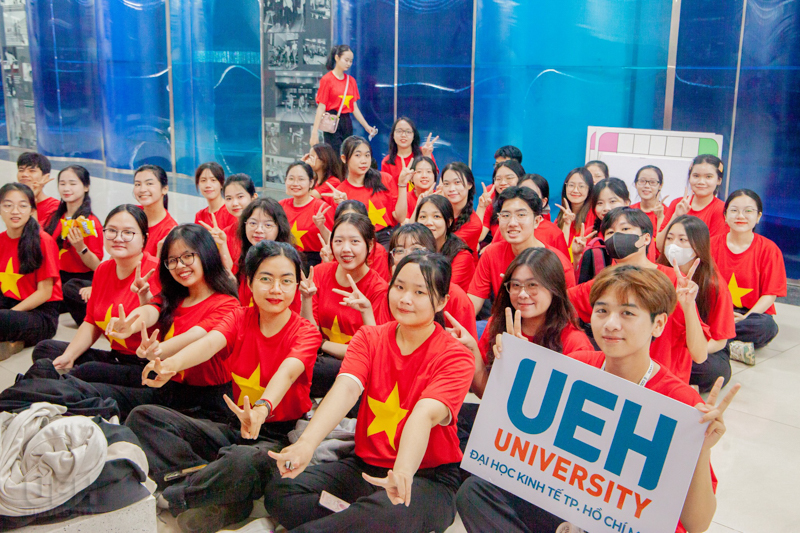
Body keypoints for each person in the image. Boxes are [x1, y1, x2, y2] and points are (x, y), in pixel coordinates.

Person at [457, 265, 740, 533]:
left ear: (658, 324)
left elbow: (697, 524)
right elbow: (529, 446)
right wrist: (520, 374)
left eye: (627, 313)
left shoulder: (681, 401)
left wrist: (701, 452)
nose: (611, 324)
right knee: (476, 492)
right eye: (602, 311)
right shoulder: (578, 365)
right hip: (571, 508)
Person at [263, 253, 474, 533]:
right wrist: (306, 444)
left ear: (442, 301)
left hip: (425, 478)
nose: (405, 299)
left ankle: (358, 519)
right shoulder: (369, 337)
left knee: (390, 513)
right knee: (282, 491)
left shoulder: (456, 356)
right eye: (399, 287)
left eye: (419, 292)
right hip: (364, 466)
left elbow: (423, 414)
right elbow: (346, 388)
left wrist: (402, 472)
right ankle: (359, 518)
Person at [125, 241, 322, 533]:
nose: (276, 289)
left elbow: (288, 372)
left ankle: (182, 493)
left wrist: (261, 409)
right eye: (266, 279)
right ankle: (223, 496)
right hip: (233, 426)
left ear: (296, 285)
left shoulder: (305, 332)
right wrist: (170, 364)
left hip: (277, 436)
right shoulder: (239, 317)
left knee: (243, 460)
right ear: (249, 282)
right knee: (144, 417)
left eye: (286, 280)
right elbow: (209, 343)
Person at [85, 224, 240, 419]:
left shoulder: (228, 304)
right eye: (172, 260)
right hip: (169, 387)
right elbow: (151, 310)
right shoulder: (174, 295)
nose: (180, 266)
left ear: (206, 255)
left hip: (207, 403)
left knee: (138, 416)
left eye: (187, 256)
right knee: (91, 388)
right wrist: (130, 325)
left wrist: (158, 350)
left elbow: (196, 336)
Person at [568, 207, 711, 384]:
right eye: (610, 232)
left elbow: (699, 355)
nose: (617, 236)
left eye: (625, 229)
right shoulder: (605, 281)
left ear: (646, 238)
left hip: (660, 386)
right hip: (616, 381)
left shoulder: (673, 281)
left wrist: (688, 306)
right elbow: (562, 301)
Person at [32, 204, 162, 386]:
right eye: (112, 231)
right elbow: (91, 321)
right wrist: (69, 356)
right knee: (46, 349)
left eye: (128, 233)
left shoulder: (156, 271)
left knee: (86, 372)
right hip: (116, 357)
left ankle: (53, 387)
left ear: (144, 239)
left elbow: (154, 313)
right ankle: (60, 385)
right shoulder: (103, 269)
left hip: (144, 365)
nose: (118, 238)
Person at [300, 213, 388, 397]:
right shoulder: (319, 273)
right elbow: (309, 333)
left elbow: (373, 351)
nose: (345, 249)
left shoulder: (379, 289)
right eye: (339, 241)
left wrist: (323, 344)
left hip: (357, 367)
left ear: (370, 245)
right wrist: (306, 300)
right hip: (320, 360)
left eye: (354, 242)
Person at [468, 187, 575, 316]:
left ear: (536, 221)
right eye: (506, 215)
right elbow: (472, 304)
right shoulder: (491, 254)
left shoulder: (558, 263)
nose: (512, 223)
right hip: (505, 323)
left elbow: (569, 314)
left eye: (521, 215)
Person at [660, 215, 735, 392]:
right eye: (669, 238)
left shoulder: (713, 285)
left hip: (699, 349)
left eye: (682, 240)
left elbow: (719, 341)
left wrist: (687, 354)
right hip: (664, 346)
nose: (673, 245)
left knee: (715, 371)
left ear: (698, 246)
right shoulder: (658, 273)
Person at [711, 189, 786, 350]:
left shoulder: (769, 249)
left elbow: (770, 295)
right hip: (717, 310)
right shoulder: (710, 245)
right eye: (734, 210)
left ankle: (718, 341)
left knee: (766, 326)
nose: (740, 216)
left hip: (751, 314)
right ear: (725, 215)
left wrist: (746, 317)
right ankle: (732, 345)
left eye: (748, 211)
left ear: (758, 216)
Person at [0, 183, 62, 348]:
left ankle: (12, 340)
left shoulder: (43, 241)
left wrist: (10, 315)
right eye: (8, 205)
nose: (15, 211)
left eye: (22, 206)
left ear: (32, 210)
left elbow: (44, 293)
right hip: (9, 303)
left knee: (2, 319)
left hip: (40, 314)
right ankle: (11, 341)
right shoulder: (1, 240)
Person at [43, 166, 103, 323]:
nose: (66, 188)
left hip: (80, 280)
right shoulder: (54, 217)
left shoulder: (91, 223)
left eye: (72, 183)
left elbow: (96, 266)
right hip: (56, 277)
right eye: (62, 183)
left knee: (71, 289)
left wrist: (81, 248)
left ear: (86, 186)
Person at [326, 136, 407, 248]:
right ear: (344, 158)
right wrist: (345, 204)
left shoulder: (384, 179)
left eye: (367, 155)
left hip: (386, 238)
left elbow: (400, 217)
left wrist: (402, 185)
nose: (364, 161)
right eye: (357, 155)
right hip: (357, 242)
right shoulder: (340, 193)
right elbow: (342, 229)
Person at [310, 44, 377, 155]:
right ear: (337, 58)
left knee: (347, 155)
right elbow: (321, 107)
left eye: (351, 61)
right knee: (335, 156)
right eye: (346, 60)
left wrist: (366, 126)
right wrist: (314, 132)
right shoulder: (327, 80)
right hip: (331, 120)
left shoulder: (351, 81)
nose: (348, 63)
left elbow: (354, 108)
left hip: (347, 122)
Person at [657, 154, 727, 251]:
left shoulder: (721, 209)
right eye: (696, 176)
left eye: (708, 177)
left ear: (719, 180)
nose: (701, 181)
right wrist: (676, 216)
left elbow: (713, 250)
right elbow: (659, 245)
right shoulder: (678, 203)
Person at [571, 177, 634, 283]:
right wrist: (577, 255)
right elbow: (581, 277)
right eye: (600, 203)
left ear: (626, 202)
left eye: (612, 201)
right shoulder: (590, 233)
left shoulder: (636, 232)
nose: (606, 208)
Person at [279, 161, 334, 267]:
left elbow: (334, 241)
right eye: (291, 179)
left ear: (311, 183)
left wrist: (321, 227)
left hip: (315, 262)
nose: (295, 183)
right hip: (285, 260)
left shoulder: (322, 208)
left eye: (301, 179)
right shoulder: (280, 206)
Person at [415, 195, 474, 291]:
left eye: (436, 216)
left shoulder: (462, 256)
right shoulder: (414, 248)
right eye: (423, 217)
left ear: (449, 222)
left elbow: (440, 291)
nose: (428, 222)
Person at [334, 200, 391, 280]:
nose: (349, 224)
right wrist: (327, 262)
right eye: (344, 219)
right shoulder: (332, 249)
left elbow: (381, 283)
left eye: (354, 220)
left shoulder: (378, 252)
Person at [133, 164, 177, 258]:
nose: (142, 189)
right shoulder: (130, 215)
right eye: (137, 184)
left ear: (164, 189)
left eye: (149, 183)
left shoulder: (169, 231)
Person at [478, 159, 525, 243]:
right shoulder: (492, 203)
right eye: (498, 179)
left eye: (509, 178)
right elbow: (479, 236)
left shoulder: (529, 204)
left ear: (521, 179)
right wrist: (481, 207)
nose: (503, 183)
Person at [381, 116, 437, 184]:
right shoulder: (387, 162)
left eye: (408, 132)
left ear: (414, 136)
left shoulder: (424, 152)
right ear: (393, 135)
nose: (403, 135)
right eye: (399, 131)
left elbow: (434, 178)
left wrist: (427, 156)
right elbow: (385, 187)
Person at [440, 162, 482, 252]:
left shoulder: (474, 224)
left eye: (457, 182)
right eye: (446, 184)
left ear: (469, 184)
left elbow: (443, 247)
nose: (451, 189)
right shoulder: (439, 212)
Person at [555, 167, 594, 254]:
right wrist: (566, 224)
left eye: (581, 186)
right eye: (571, 185)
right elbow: (560, 252)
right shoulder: (560, 218)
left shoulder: (594, 216)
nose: (575, 190)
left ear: (589, 189)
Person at [17, 152, 59, 227]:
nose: (24, 174)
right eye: (21, 170)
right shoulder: (13, 204)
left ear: (45, 177)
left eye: (32, 171)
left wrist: (32, 201)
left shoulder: (54, 207)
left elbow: (38, 233)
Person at [631, 165, 669, 244]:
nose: (647, 186)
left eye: (652, 182)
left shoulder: (668, 213)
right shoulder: (629, 211)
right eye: (642, 181)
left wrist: (660, 217)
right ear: (635, 184)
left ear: (660, 186)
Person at [194, 162, 236, 230]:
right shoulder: (199, 216)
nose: (208, 185)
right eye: (203, 180)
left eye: (213, 180)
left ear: (222, 184)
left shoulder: (231, 212)